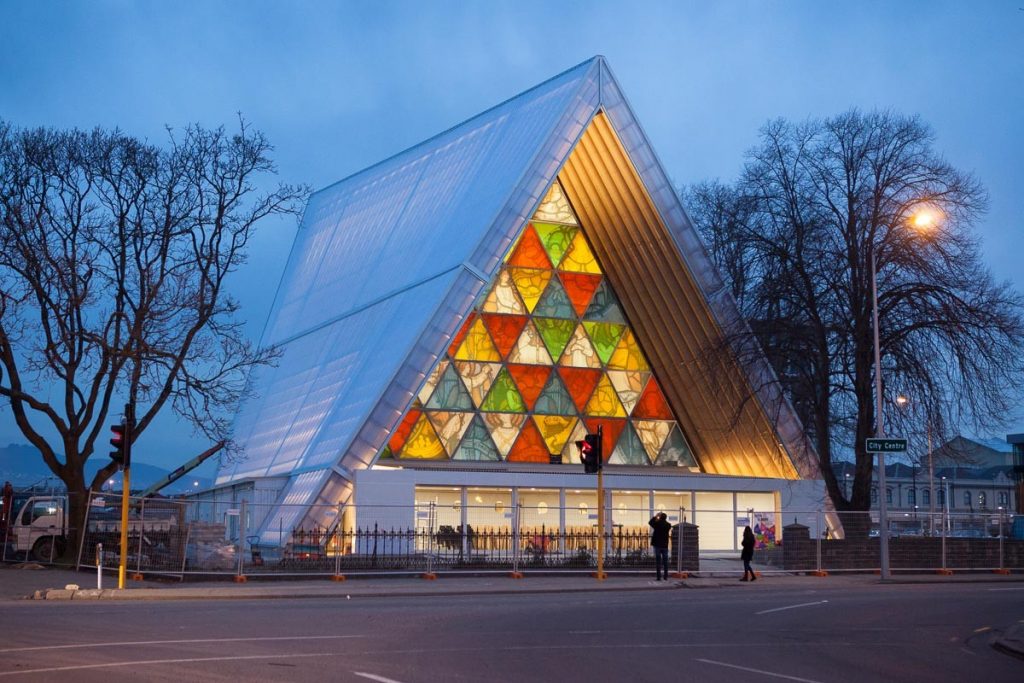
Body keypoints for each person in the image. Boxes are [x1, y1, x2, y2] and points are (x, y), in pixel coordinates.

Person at [649, 512, 671, 581]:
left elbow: (650, 522)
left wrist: (656, 516)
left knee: (658, 562)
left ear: (660, 517)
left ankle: (658, 577)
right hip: (664, 545)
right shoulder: (668, 525)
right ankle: (665, 576)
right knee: (665, 562)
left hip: (657, 545)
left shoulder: (657, 524)